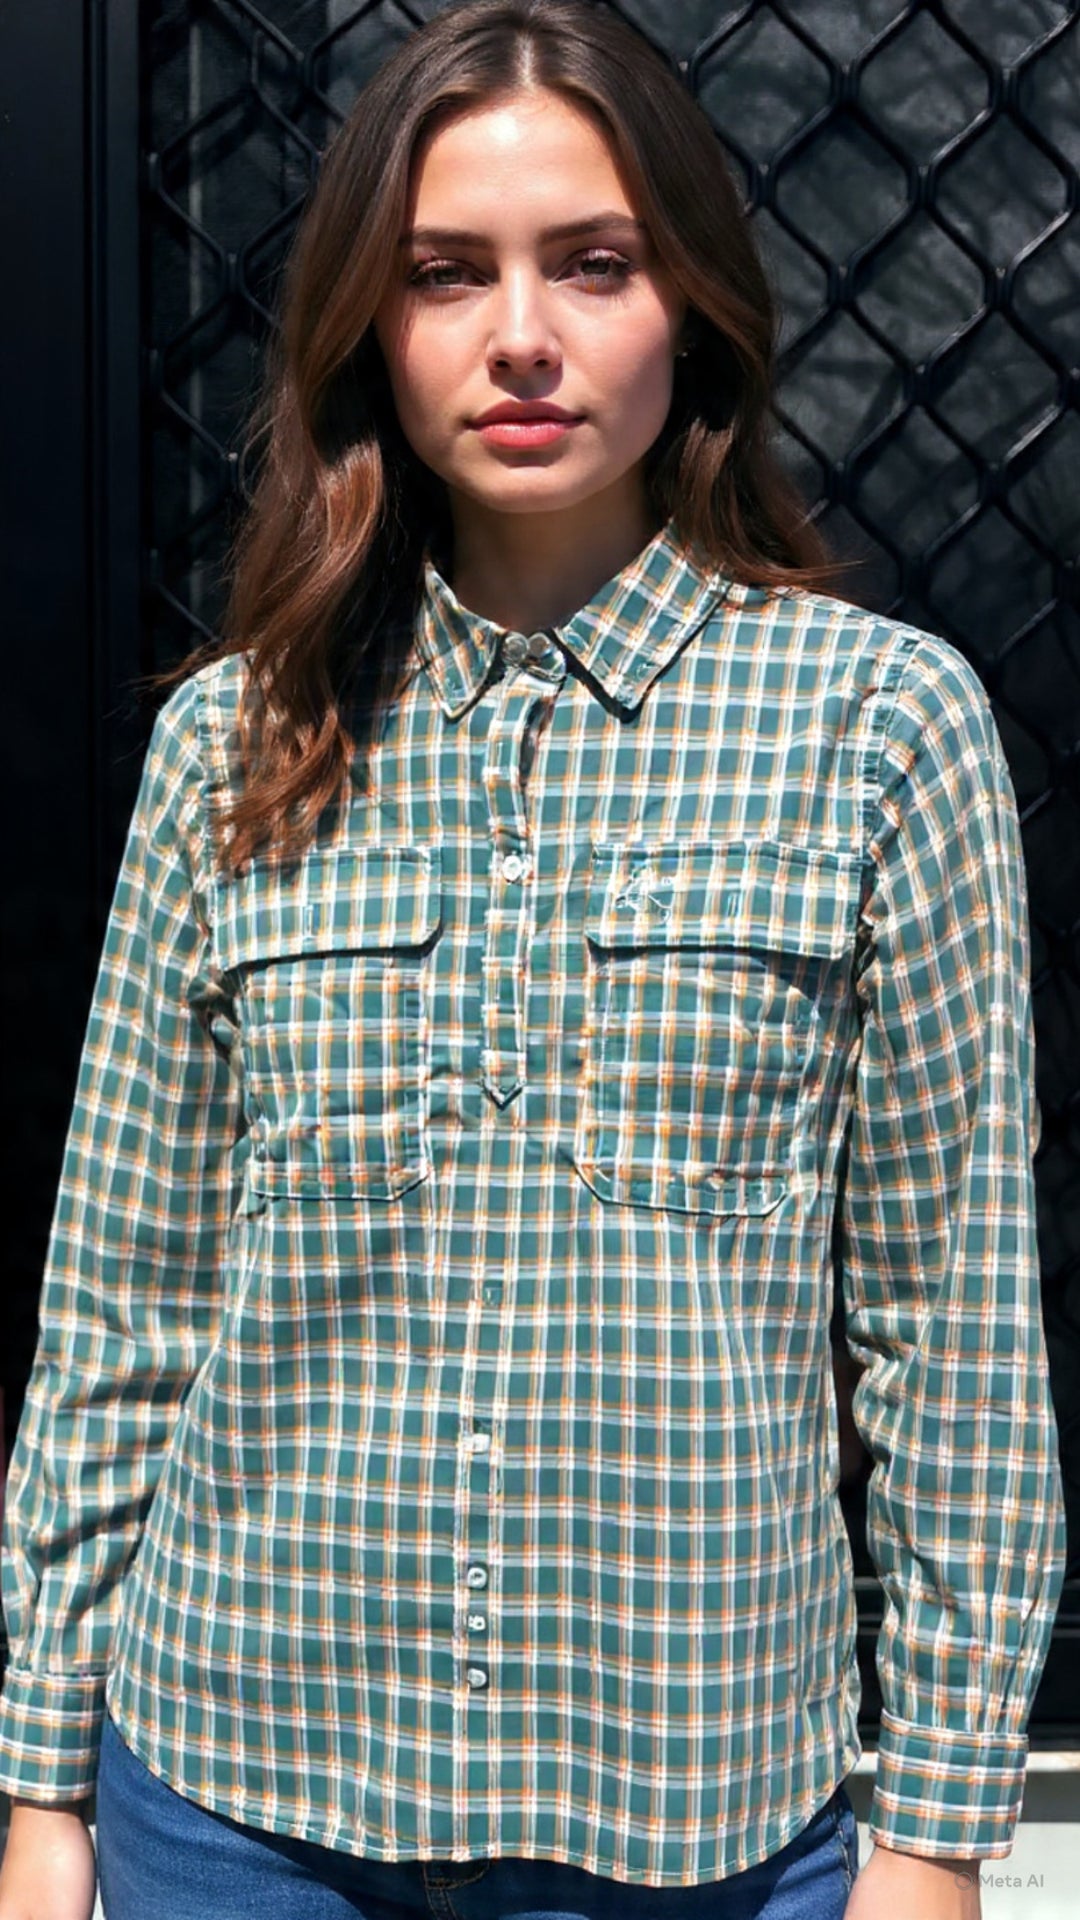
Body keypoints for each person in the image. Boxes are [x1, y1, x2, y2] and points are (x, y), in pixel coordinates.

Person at [0, 3, 1067, 1916]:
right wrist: (40, 1793)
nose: (519, 335)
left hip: (693, 1816)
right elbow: (121, 1301)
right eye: (443, 273)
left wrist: (934, 1831)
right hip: (236, 1795)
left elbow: (952, 1330)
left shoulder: (881, 729)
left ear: (695, 307)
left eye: (592, 263)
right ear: (370, 326)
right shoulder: (237, 742)